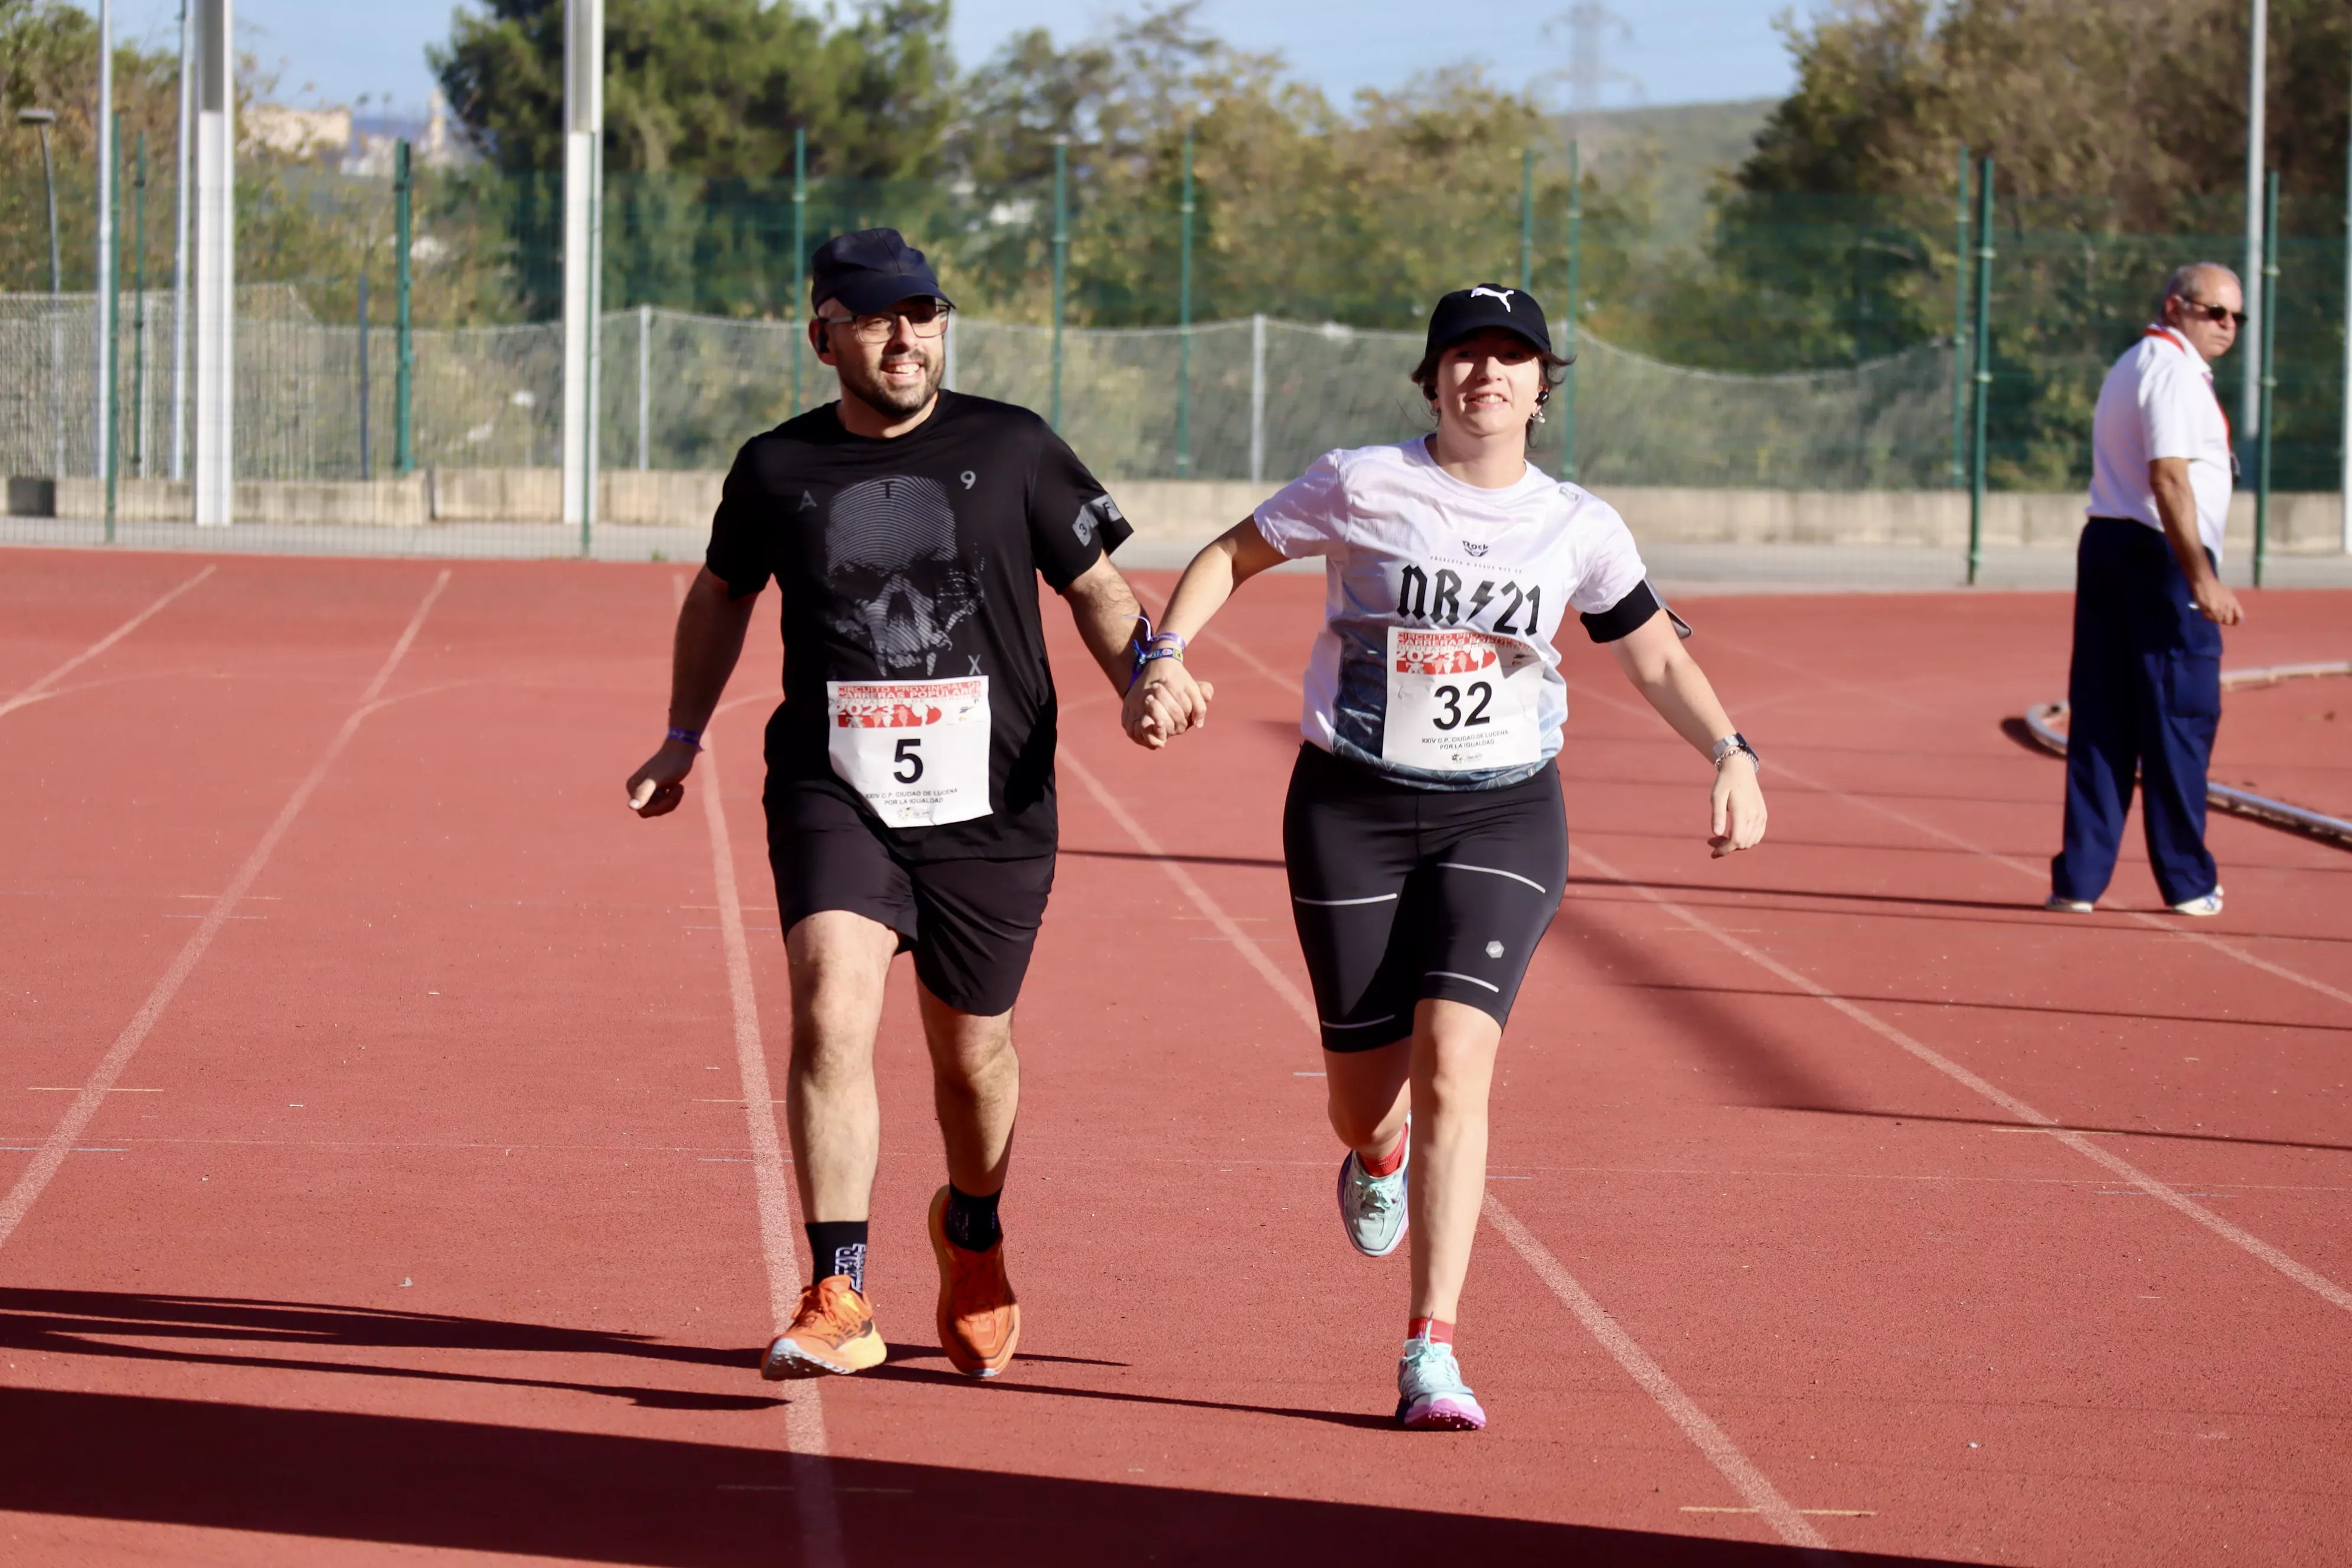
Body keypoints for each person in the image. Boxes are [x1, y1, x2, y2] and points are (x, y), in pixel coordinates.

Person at [1123, 285, 1767, 1430]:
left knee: (1455, 1060)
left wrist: (1731, 749)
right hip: (1351, 806)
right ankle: (1377, 1159)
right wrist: (1166, 649)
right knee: (1364, 1100)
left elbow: (1656, 656)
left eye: (1512, 358)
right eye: (1465, 357)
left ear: (1541, 385)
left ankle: (1434, 1348)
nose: (1488, 376)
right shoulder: (1362, 482)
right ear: (1433, 379)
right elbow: (1229, 552)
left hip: (1505, 813)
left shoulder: (1580, 524)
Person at [626, 228, 1147, 1381]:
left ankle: (971, 1225)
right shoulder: (776, 469)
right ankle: (840, 1287)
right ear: (824, 337)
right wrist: (680, 733)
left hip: (992, 801)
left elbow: (1098, 587)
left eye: (922, 312)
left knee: (973, 1056)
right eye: (875, 316)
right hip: (833, 783)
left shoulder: (1014, 447)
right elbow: (720, 595)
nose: (906, 335)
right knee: (832, 1007)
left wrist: (1146, 673)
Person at [2049, 263, 2247, 918]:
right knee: (2179, 717)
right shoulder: (2170, 370)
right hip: (2155, 556)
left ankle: (2080, 880)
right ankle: (2188, 881)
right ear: (2177, 306)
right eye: (2215, 312)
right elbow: (2168, 478)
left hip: (2111, 544)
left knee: (2103, 716)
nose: (2228, 326)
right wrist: (2202, 578)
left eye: (2236, 316)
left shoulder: (2134, 362)